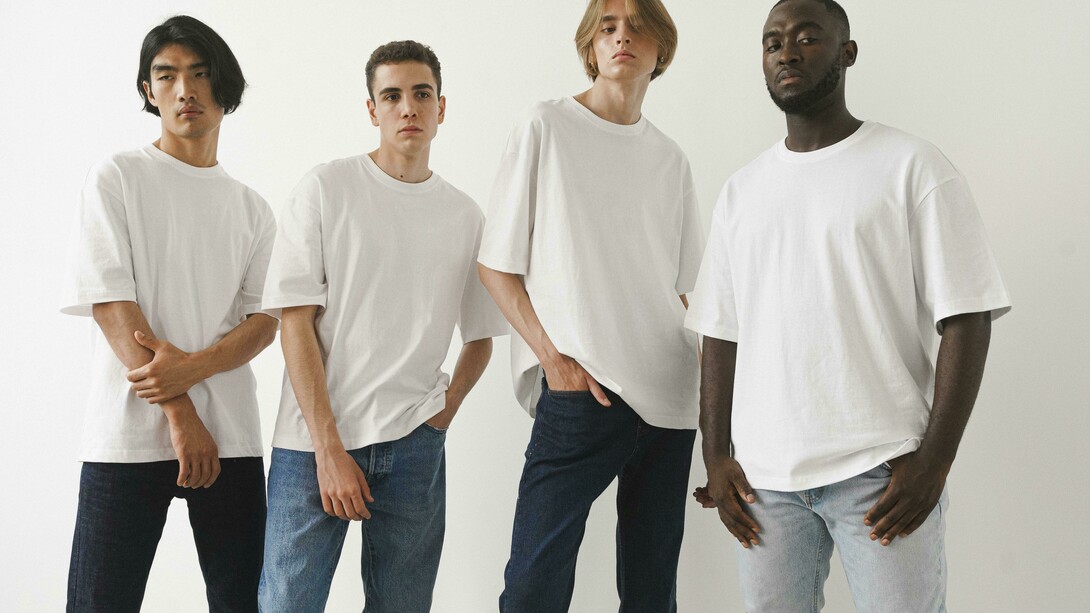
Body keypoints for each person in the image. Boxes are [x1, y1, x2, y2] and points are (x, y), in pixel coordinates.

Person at [686, 0, 1012, 610]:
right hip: (766, 485)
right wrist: (716, 457)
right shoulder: (742, 191)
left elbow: (967, 315)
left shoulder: (912, 167)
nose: (787, 51)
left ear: (848, 53)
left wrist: (935, 461)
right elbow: (719, 332)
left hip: (882, 474)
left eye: (809, 37)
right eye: (772, 41)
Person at [257, 40, 507, 613]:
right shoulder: (327, 188)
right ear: (372, 110)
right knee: (286, 605)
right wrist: (327, 449)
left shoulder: (465, 215)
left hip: (413, 445)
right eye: (391, 96)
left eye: (422, 94)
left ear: (442, 108)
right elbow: (294, 322)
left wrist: (440, 417)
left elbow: (481, 336)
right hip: (312, 444)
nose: (408, 108)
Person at [477, 1, 704, 610]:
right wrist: (553, 359)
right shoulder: (546, 126)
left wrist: (717, 410)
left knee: (652, 593)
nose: (622, 36)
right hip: (583, 390)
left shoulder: (671, 160)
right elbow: (495, 264)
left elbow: (685, 293)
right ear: (590, 48)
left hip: (671, 399)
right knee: (533, 588)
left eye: (637, 26)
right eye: (607, 27)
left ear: (662, 49)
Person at [61, 15, 277, 613]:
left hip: (230, 438)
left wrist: (193, 371)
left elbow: (264, 321)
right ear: (148, 90)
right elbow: (110, 302)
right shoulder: (118, 177)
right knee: (100, 601)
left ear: (225, 88)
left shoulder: (252, 209)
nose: (186, 90)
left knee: (243, 602)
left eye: (201, 74)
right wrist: (179, 406)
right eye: (168, 75)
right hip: (127, 436)